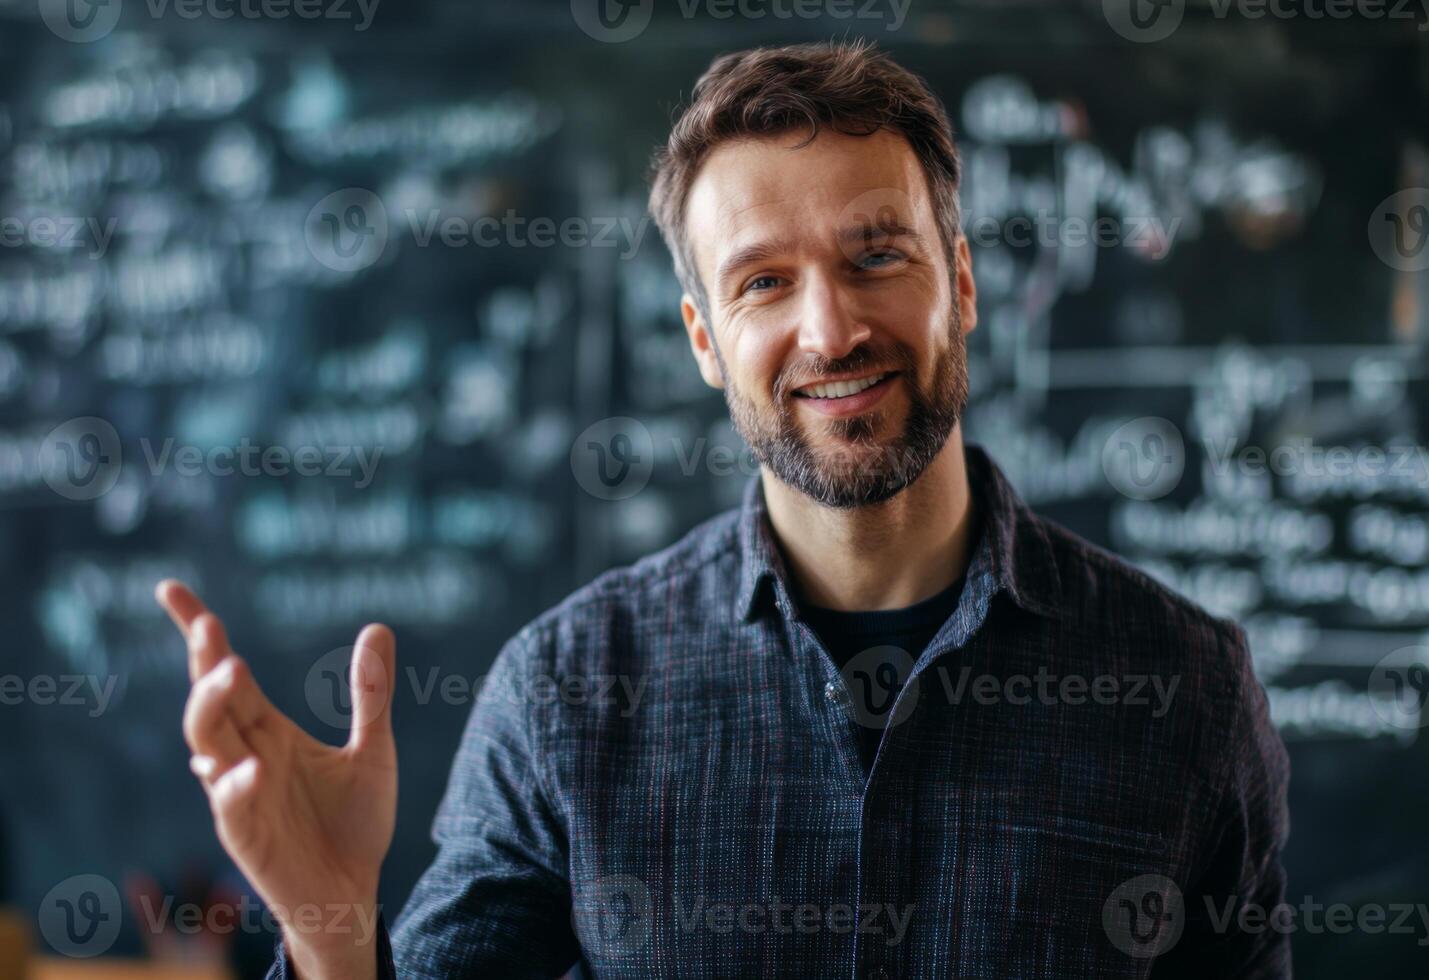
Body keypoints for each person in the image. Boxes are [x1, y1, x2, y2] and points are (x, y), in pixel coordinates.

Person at [156, 39, 1290, 979]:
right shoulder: (566, 695)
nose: (829, 327)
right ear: (705, 340)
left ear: (963, 280)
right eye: (763, 281)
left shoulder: (1183, 687)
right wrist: (331, 933)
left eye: (877, 254)